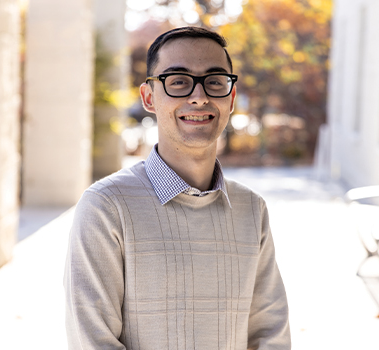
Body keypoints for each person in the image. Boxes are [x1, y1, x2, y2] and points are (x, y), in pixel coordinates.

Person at [64, 26, 290, 350]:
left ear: (231, 98)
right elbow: (92, 340)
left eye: (214, 81)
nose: (199, 96)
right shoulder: (106, 207)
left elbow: (271, 334)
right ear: (148, 97)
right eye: (178, 81)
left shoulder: (252, 209)